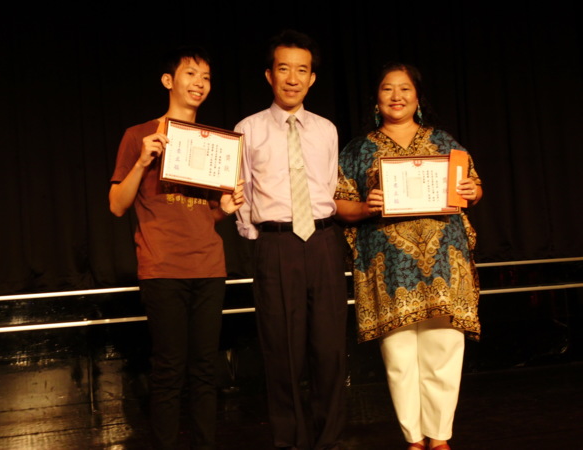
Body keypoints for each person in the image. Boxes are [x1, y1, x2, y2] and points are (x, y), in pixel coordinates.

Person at [334, 62, 482, 450]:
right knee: (399, 358)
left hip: (443, 261)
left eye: (404, 89)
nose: (396, 96)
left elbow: (473, 186)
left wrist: (471, 191)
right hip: (389, 267)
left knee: (443, 349)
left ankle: (440, 436)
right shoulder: (358, 149)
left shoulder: (444, 142)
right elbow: (338, 204)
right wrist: (365, 207)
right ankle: (414, 438)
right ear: (376, 98)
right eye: (387, 89)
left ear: (418, 98)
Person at [108, 46, 244, 450]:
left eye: (206, 77)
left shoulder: (214, 143)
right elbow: (117, 205)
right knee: (169, 369)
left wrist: (224, 209)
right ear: (169, 81)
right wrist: (142, 162)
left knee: (205, 368)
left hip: (209, 266)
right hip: (163, 267)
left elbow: (206, 215)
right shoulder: (139, 135)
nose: (199, 84)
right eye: (190, 74)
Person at [234, 29, 348, 450]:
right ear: (270, 75)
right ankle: (289, 439)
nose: (293, 78)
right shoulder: (247, 129)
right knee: (282, 351)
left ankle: (328, 438)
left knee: (330, 348)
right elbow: (242, 190)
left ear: (312, 78)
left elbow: (330, 184)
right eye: (284, 69)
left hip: (323, 241)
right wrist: (259, 238)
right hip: (276, 244)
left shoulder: (326, 129)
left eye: (302, 70)